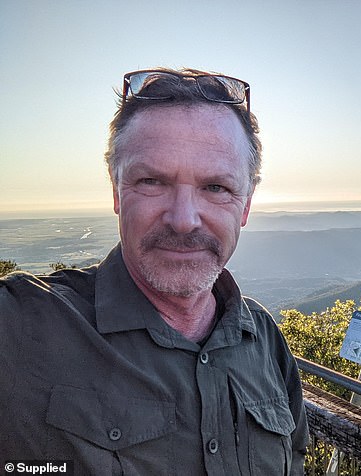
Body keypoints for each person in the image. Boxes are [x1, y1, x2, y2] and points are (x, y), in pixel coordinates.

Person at [0, 68, 309, 475]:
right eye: (151, 181)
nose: (183, 220)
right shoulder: (21, 324)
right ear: (116, 191)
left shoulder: (266, 341)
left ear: (246, 205)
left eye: (216, 187)